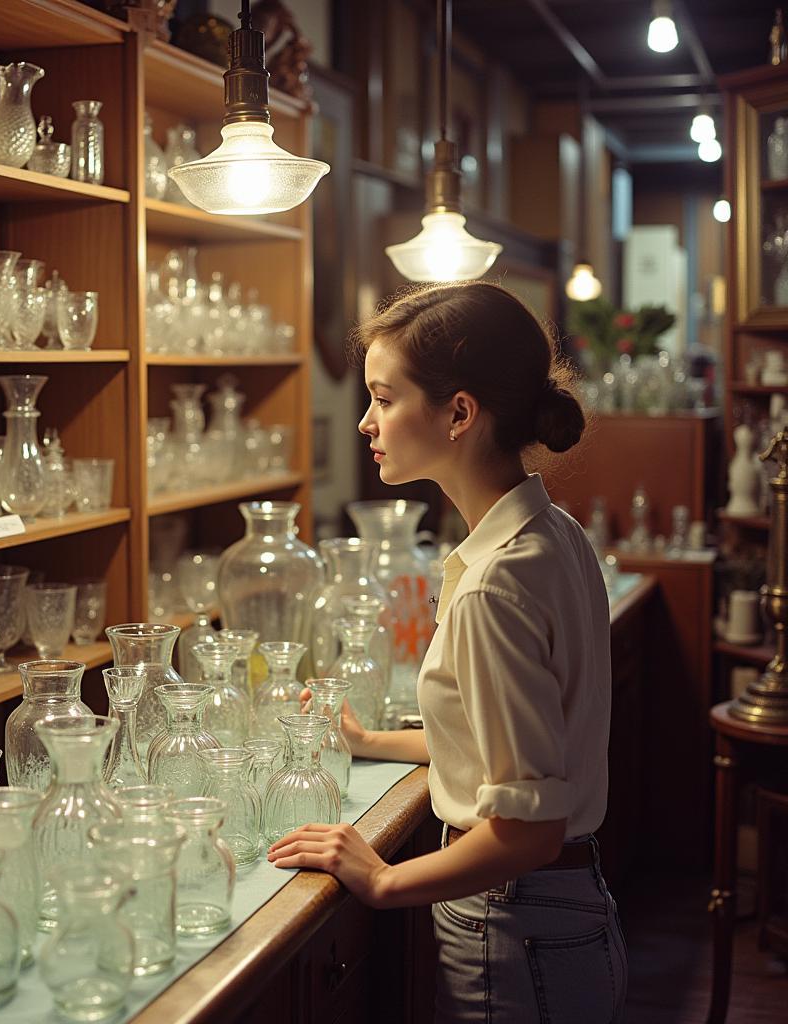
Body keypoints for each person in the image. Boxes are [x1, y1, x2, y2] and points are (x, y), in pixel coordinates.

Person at [267, 282, 628, 1021]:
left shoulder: (494, 587)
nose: (367, 423)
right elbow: (507, 746)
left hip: (513, 920)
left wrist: (381, 881)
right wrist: (370, 740)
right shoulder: (553, 534)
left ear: (459, 413)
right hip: (561, 912)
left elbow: (527, 829)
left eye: (384, 398)